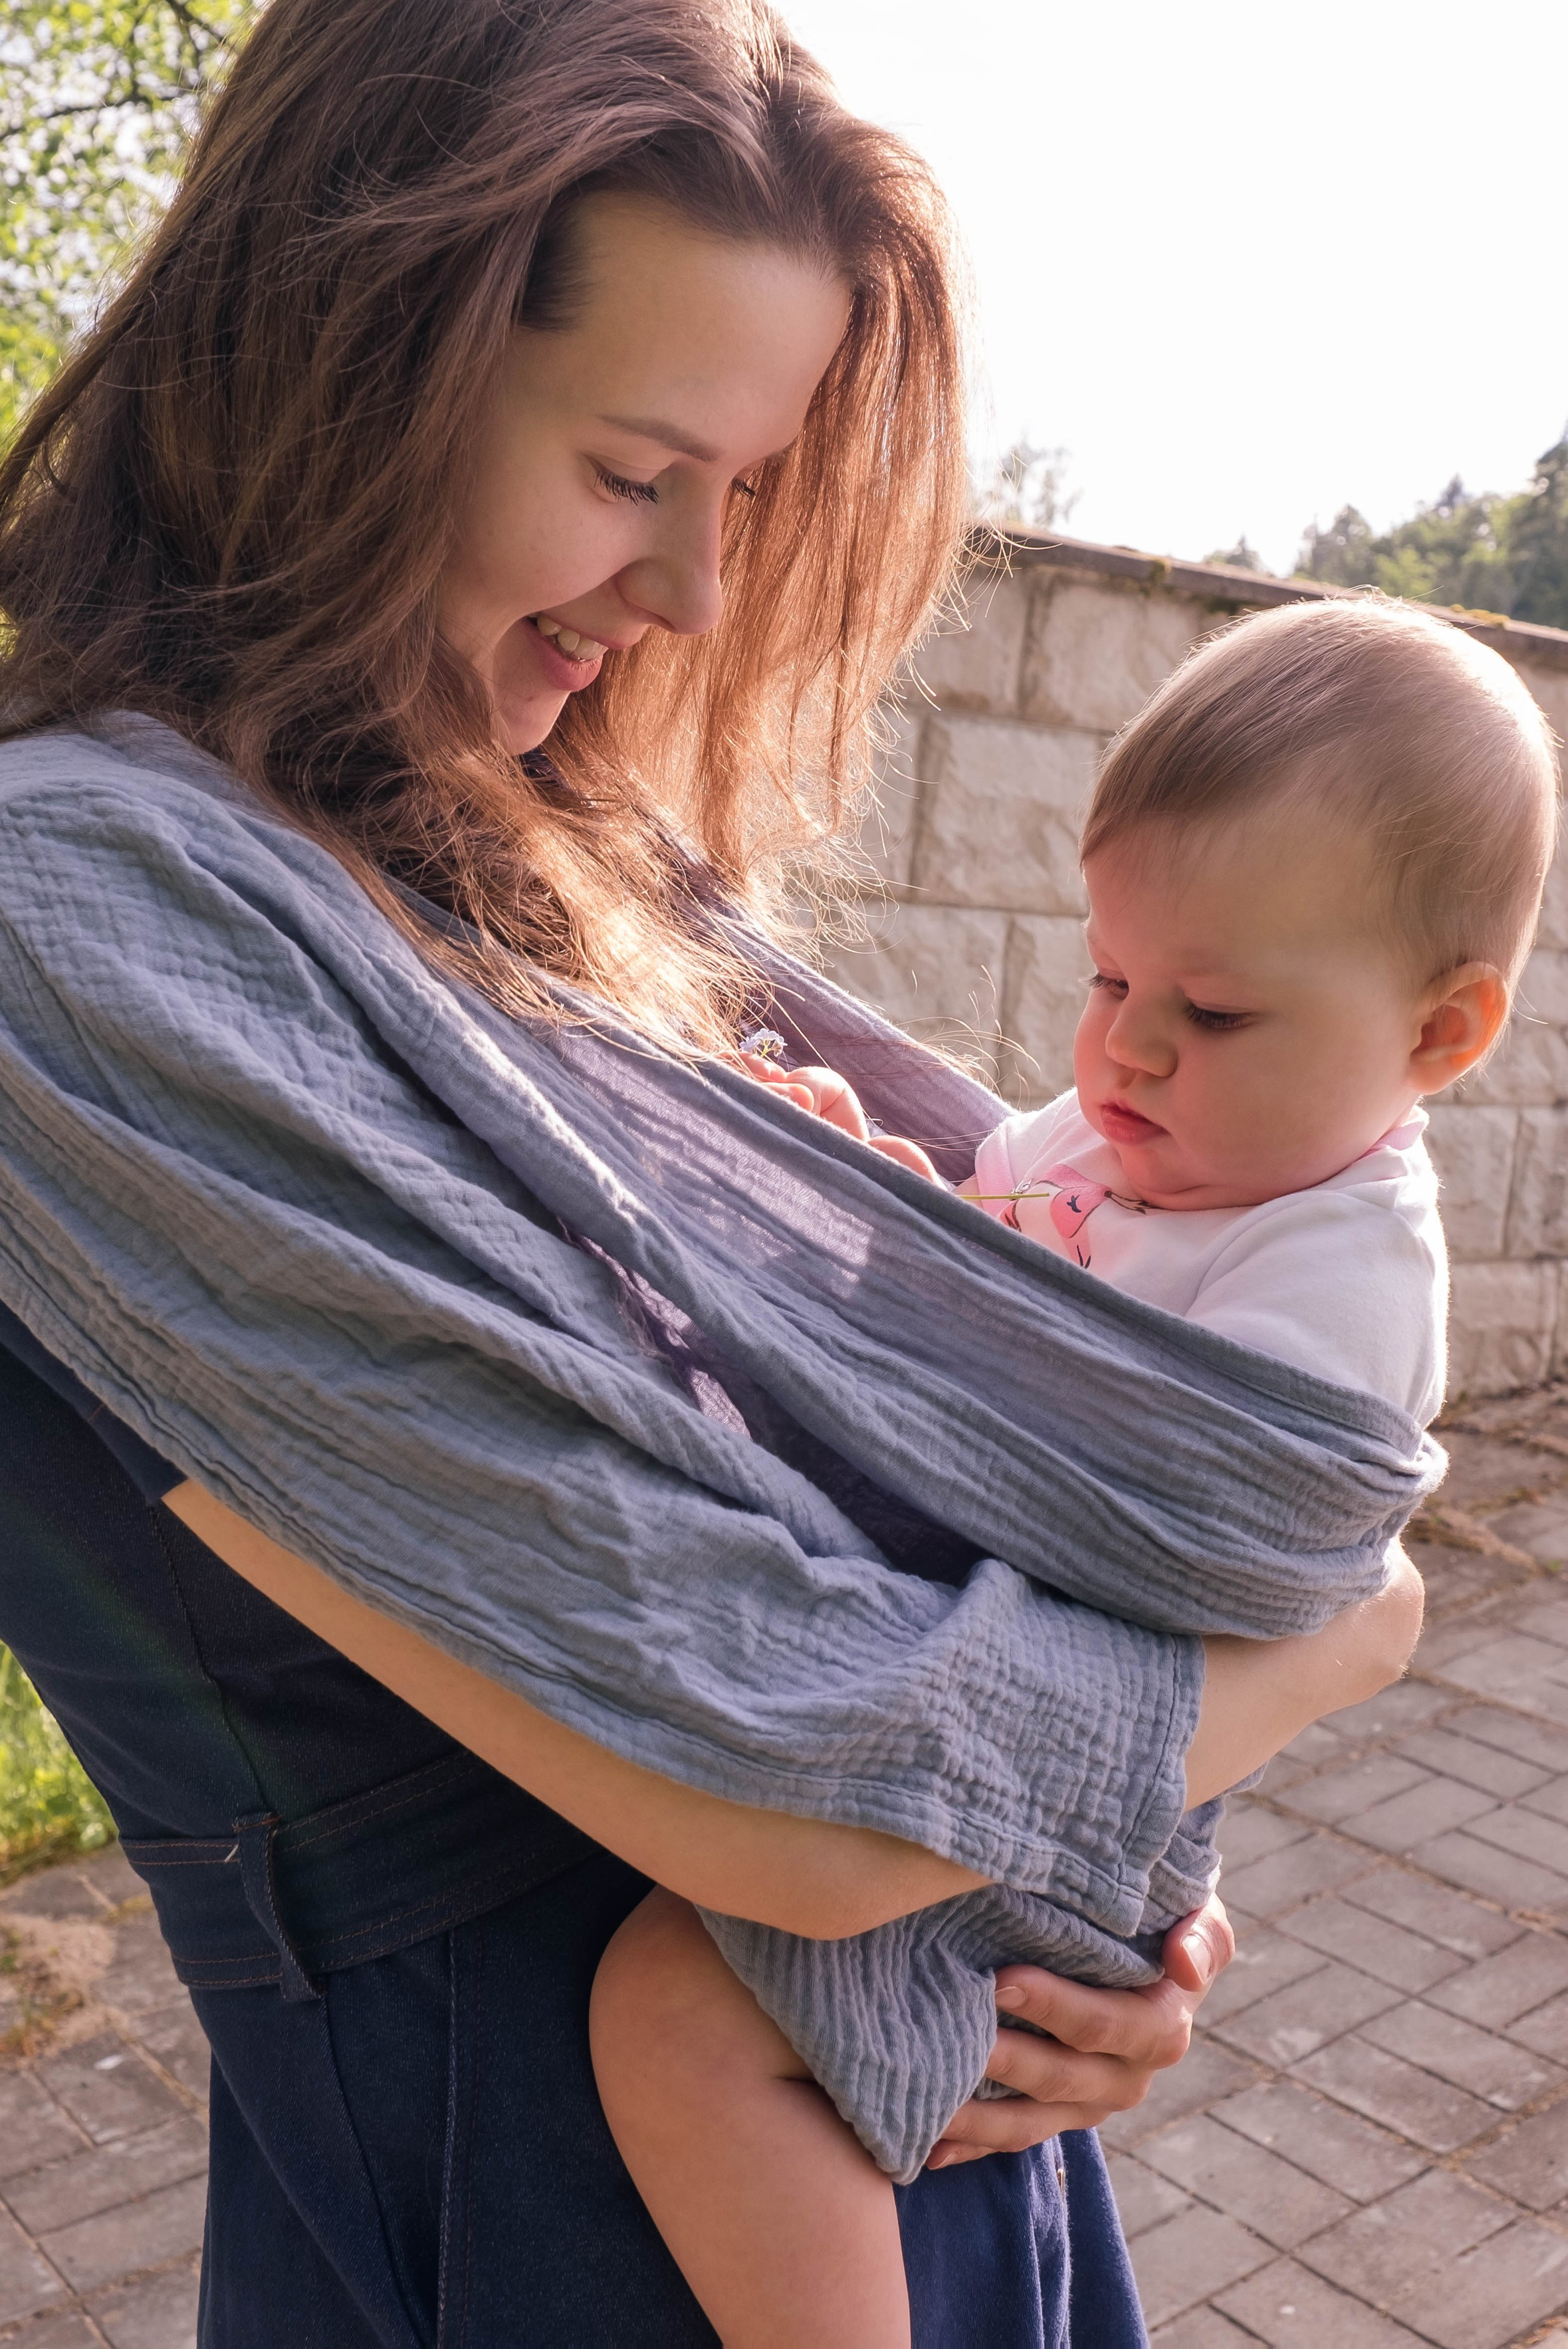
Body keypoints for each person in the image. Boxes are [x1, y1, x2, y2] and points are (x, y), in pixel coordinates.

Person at [0, 0, 1424, 2348]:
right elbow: (807, 1784)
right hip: (545, 2215)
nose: (700, 595)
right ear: (349, 360)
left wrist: (1102, 1892)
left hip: (901, 2128)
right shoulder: (48, 924)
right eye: (629, 472)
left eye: (747, 495)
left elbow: (957, 1542)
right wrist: (1355, 1633)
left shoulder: (524, 853)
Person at [590, 598, 1556, 2346]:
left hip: (1084, 1779)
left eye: (1214, 1008)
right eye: (1108, 976)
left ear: (1441, 1036)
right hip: (1012, 1695)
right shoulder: (1127, 1136)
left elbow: (1219, 1548)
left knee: (675, 2012)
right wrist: (868, 1180)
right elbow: (977, 1259)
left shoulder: (1336, 1274)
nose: (1125, 1050)